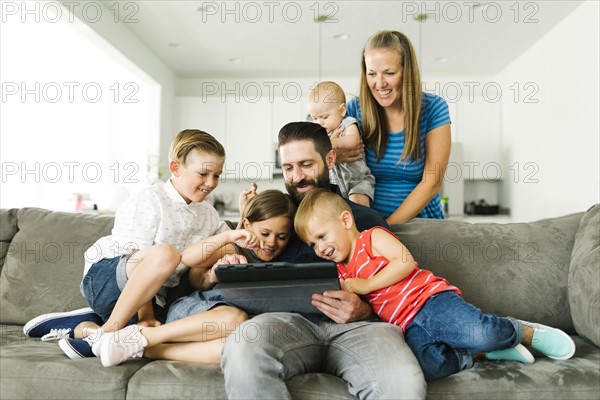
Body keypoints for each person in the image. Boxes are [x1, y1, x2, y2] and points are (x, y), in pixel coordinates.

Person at [212, 122, 427, 399]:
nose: (297, 177)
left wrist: (363, 310)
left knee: (402, 385)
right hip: (287, 325)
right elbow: (205, 272)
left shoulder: (363, 219)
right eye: (288, 168)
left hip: (359, 328)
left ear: (330, 159)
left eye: (306, 164)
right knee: (242, 346)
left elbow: (403, 282)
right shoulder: (274, 222)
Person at [294, 188, 577, 381]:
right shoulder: (341, 271)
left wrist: (365, 285)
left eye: (321, 237)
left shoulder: (372, 238)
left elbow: (405, 263)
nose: (319, 247)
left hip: (431, 302)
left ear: (345, 220)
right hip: (406, 326)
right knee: (430, 366)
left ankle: (523, 331)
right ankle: (481, 352)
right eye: (312, 244)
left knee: (481, 330)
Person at [24, 129, 258, 359]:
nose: (211, 183)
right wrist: (145, 314)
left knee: (155, 333)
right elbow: (140, 260)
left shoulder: (208, 214)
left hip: (154, 297)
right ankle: (109, 331)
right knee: (167, 255)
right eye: (203, 174)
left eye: (217, 175)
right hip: (108, 280)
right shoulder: (150, 199)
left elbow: (228, 246)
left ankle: (86, 327)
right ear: (176, 168)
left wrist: (243, 216)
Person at [96, 189, 297, 367]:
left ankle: (148, 349)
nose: (271, 242)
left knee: (237, 348)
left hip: (217, 331)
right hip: (194, 313)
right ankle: (148, 335)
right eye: (265, 233)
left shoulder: (287, 260)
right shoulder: (236, 247)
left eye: (282, 237)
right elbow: (189, 257)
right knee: (235, 319)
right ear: (247, 226)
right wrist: (230, 236)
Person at [344, 30, 452, 225]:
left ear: (407, 71)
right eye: (372, 74)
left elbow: (432, 181)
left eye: (389, 73)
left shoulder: (433, 108)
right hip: (368, 228)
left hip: (421, 224)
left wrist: (387, 228)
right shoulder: (354, 110)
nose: (380, 83)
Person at [307, 81, 375, 207]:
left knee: (358, 208)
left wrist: (333, 143)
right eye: (315, 118)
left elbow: (353, 140)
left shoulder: (348, 123)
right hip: (334, 185)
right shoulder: (320, 134)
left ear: (342, 110)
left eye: (324, 117)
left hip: (357, 181)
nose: (319, 123)